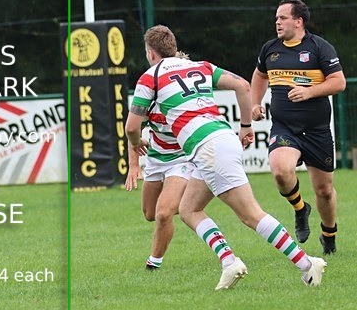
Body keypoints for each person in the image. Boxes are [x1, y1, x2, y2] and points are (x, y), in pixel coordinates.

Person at [126, 25, 326, 290]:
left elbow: (131, 127)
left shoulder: (150, 77)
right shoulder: (201, 66)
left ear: (151, 53)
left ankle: (307, 264)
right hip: (220, 139)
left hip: (208, 147)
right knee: (188, 209)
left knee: (251, 215)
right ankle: (229, 261)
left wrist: (136, 142)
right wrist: (245, 127)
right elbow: (242, 86)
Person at [250, 0, 346, 255]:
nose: (277, 22)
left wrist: (309, 91)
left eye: (283, 18)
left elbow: (339, 82)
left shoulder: (319, 47)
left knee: (324, 191)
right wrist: (255, 103)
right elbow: (259, 75)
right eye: (276, 18)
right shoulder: (270, 49)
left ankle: (329, 234)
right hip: (285, 128)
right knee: (281, 172)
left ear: (299, 21)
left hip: (316, 131)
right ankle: (300, 209)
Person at [124, 52, 195, 271]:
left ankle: (153, 263)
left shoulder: (190, 101)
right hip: (156, 159)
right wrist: (133, 166)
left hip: (182, 159)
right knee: (150, 214)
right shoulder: (150, 98)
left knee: (164, 213)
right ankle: (189, 203)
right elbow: (132, 130)